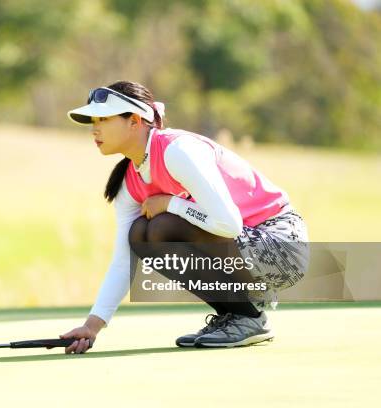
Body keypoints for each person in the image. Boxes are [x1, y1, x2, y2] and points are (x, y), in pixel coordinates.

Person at [59, 81, 309, 353]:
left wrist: (171, 203)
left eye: (104, 119)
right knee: (140, 234)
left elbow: (229, 224)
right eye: (93, 121)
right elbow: (123, 260)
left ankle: (247, 318)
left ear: (134, 121)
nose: (95, 128)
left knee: (162, 226)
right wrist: (92, 326)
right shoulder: (128, 182)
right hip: (245, 248)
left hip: (283, 249)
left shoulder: (177, 151)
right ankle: (238, 317)